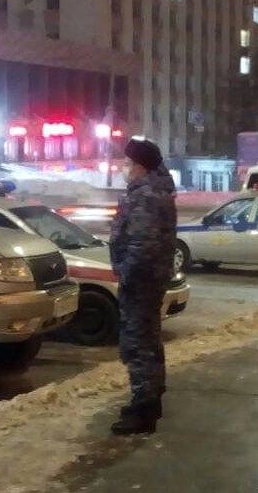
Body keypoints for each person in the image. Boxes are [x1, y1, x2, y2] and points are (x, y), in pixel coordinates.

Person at [109, 138, 177, 435]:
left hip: (140, 281)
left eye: (128, 163)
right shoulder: (155, 191)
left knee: (138, 344)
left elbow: (142, 243)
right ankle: (149, 399)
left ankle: (143, 409)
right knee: (148, 340)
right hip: (150, 278)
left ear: (140, 166)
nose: (125, 168)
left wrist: (126, 273)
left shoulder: (145, 196)